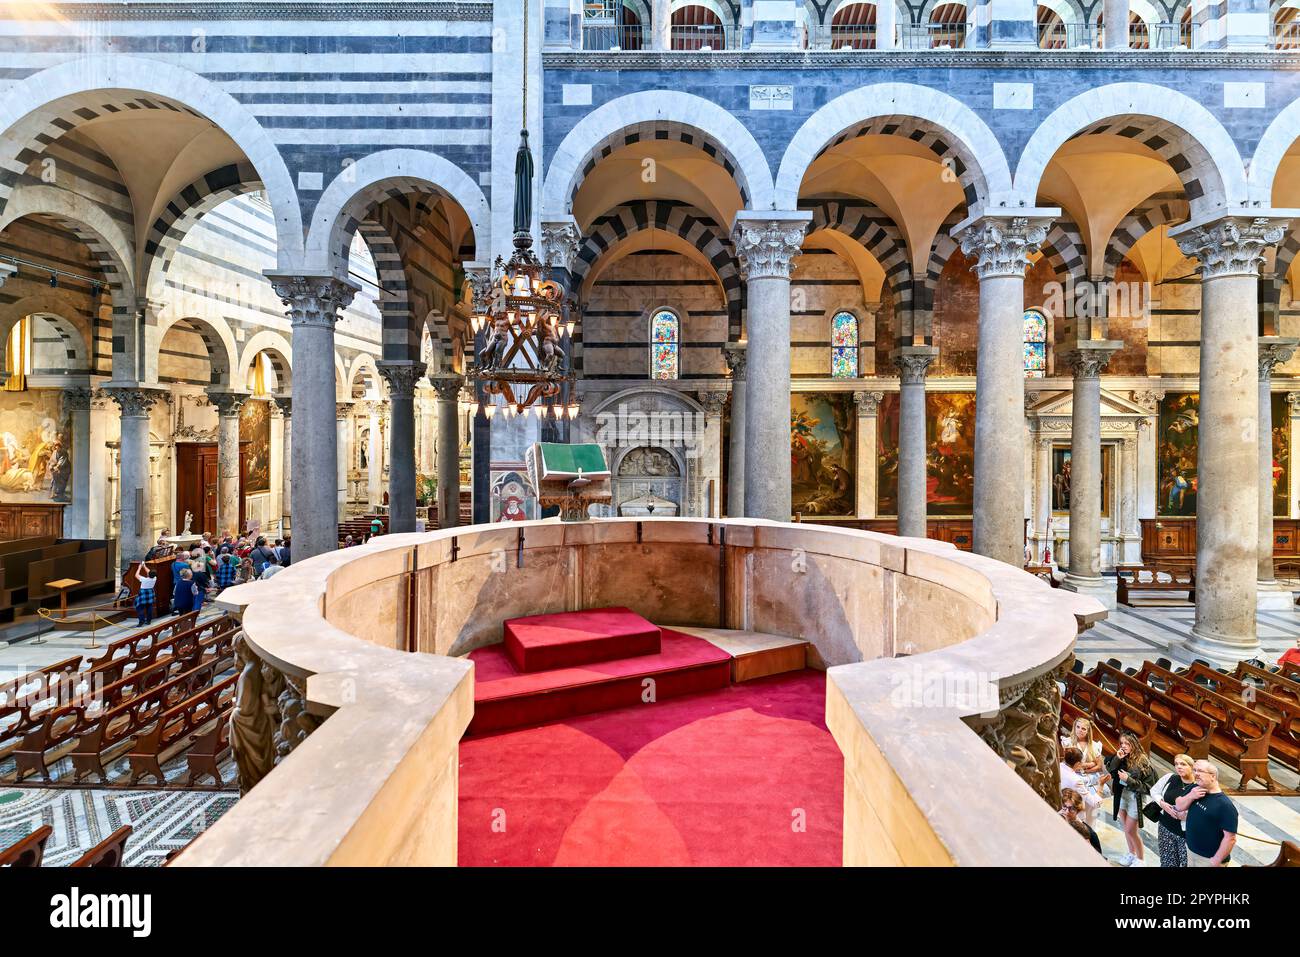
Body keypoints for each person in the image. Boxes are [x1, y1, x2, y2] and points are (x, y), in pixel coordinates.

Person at [1105, 732, 1157, 867]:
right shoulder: (1121, 757)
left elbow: (1149, 787)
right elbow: (1111, 769)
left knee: (1130, 830)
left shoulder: (1143, 761)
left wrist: (1129, 780)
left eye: (1127, 743)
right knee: (1125, 827)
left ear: (1134, 744)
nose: (1124, 746)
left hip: (1136, 797)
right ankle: (1131, 854)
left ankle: (1141, 859)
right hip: (1122, 795)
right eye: (1122, 743)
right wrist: (1117, 758)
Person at [1175, 760, 1238, 867]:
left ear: (1212, 776)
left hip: (1208, 858)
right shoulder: (1195, 789)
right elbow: (1178, 806)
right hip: (1191, 851)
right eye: (1194, 770)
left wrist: (1216, 860)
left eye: (1200, 771)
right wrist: (1191, 796)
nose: (1196, 774)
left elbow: (1230, 838)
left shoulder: (1224, 805)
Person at [1151, 753, 1196, 868]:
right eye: (1176, 764)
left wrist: (1187, 815)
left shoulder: (1197, 787)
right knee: (1167, 862)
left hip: (1185, 834)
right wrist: (1162, 803)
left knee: (1186, 863)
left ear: (1192, 767)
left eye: (1183, 764)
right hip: (1165, 827)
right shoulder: (1170, 778)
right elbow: (1154, 791)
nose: (1179, 767)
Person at [1059, 747, 1103, 827]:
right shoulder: (1076, 780)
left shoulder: (1059, 767)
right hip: (1073, 816)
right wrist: (1101, 785)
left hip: (1060, 810)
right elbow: (1094, 802)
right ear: (1077, 763)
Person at [1060, 788, 1102, 854]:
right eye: (1064, 807)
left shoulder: (1089, 833)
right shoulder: (1056, 818)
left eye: (1072, 808)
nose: (1067, 811)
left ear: (1078, 810)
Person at [131, 561, 157, 627]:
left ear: (148, 574)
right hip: (150, 592)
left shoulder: (144, 579)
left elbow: (136, 575)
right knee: (149, 606)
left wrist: (139, 568)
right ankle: (148, 621)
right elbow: (149, 572)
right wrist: (144, 566)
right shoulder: (154, 578)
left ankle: (141, 621)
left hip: (143, 593)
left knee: (139, 607)